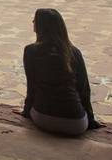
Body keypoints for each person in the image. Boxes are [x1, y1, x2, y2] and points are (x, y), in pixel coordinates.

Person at [19, 8, 103, 136]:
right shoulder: (73, 52)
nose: (32, 22)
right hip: (76, 124)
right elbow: (84, 89)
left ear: (40, 26)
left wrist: (26, 111)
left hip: (42, 118)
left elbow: (32, 87)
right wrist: (91, 120)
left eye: (35, 21)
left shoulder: (31, 51)